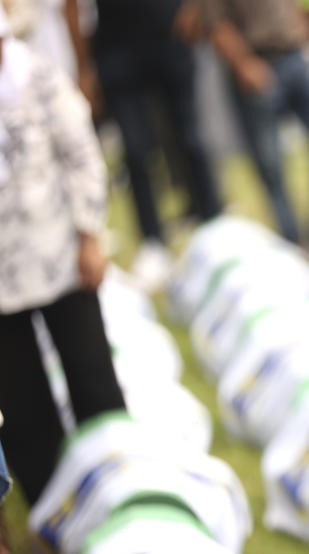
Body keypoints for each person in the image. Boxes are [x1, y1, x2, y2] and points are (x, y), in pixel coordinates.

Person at [0, 6, 125, 506]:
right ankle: (57, 514)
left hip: (60, 254)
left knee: (93, 378)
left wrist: (89, 234)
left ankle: (119, 490)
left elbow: (81, 154)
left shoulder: (37, 75)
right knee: (22, 405)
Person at [91, 0, 224, 292]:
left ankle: (214, 226)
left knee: (190, 139)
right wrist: (83, 67)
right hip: (117, 43)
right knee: (136, 152)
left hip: (169, 30)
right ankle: (153, 242)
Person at [199, 0, 309, 247]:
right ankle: (293, 240)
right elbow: (217, 25)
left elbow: (300, 6)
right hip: (256, 60)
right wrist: (244, 64)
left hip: (297, 55)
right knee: (270, 163)